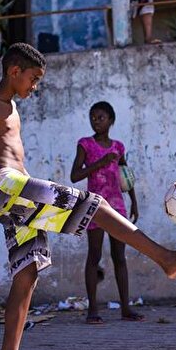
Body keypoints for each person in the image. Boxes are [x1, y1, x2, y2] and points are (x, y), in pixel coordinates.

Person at [0, 43, 176, 350]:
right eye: (33, 78)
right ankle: (165, 257)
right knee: (96, 203)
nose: (35, 86)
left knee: (27, 272)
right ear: (14, 71)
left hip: (17, 189)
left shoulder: (12, 108)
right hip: (6, 186)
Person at [70, 101, 144, 324]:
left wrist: (134, 202)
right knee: (94, 256)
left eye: (100, 117)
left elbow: (126, 176)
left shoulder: (118, 147)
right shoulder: (85, 145)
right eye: (93, 117)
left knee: (119, 257)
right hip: (95, 206)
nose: (96, 121)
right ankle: (92, 310)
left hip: (117, 206)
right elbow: (75, 175)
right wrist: (101, 162)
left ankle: (126, 309)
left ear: (111, 120)